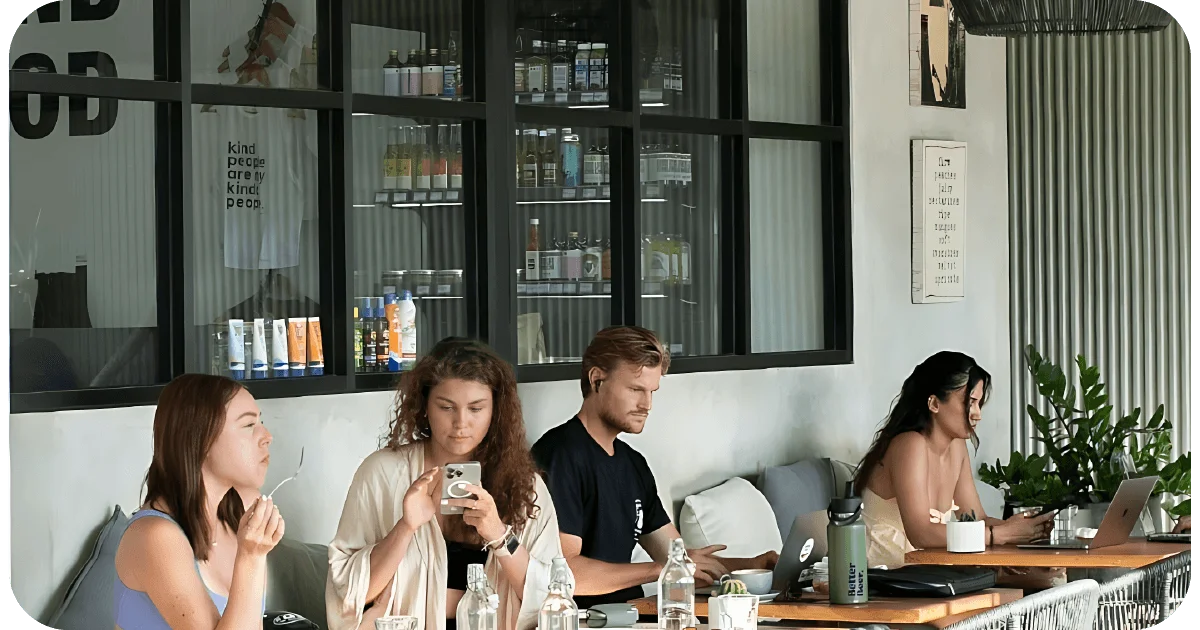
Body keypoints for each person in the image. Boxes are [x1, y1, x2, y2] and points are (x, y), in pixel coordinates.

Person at [531, 326, 777, 610]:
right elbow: (564, 573)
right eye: (635, 390)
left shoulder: (633, 464)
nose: (647, 404)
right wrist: (657, 570)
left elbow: (679, 560)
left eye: (652, 392)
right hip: (584, 621)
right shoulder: (559, 456)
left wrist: (756, 566)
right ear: (597, 379)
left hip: (635, 617)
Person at [326, 338, 564, 630]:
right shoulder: (383, 474)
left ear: (496, 411)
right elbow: (349, 596)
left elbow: (552, 599)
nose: (461, 423)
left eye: (476, 409)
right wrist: (405, 528)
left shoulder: (526, 485)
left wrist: (499, 536)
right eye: (446, 407)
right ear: (425, 405)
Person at [852, 351, 1056, 569]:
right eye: (970, 402)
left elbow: (978, 520)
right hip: (885, 579)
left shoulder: (957, 447)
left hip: (931, 574)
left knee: (1047, 575)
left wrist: (1027, 529)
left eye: (979, 404)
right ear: (934, 403)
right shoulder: (909, 444)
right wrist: (1000, 535)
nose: (977, 414)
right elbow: (921, 533)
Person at [114, 374, 284, 630]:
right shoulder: (154, 536)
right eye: (249, 425)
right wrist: (251, 557)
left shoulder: (237, 517)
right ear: (201, 439)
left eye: (261, 422)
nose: (267, 435)